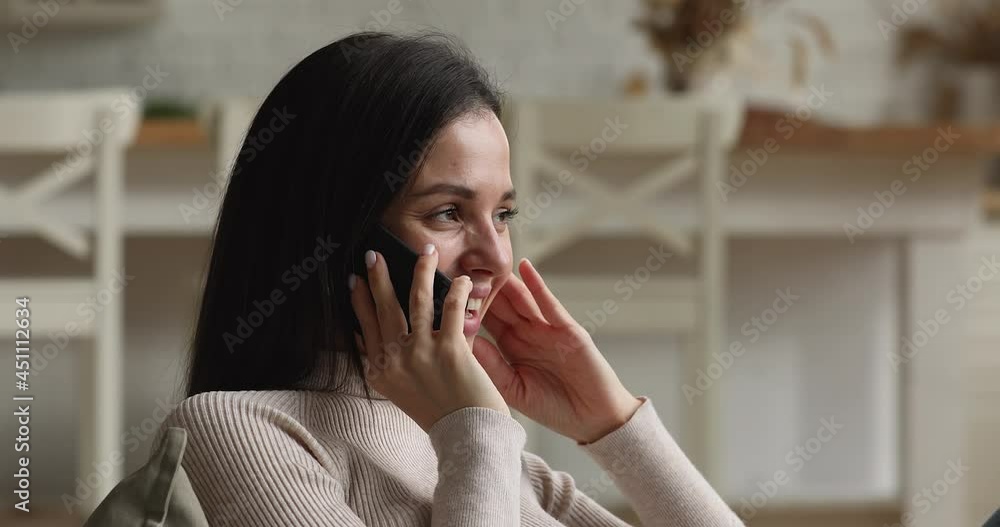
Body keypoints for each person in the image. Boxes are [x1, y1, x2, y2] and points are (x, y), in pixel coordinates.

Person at [155, 30, 744, 526]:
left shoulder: (474, 440)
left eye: (504, 215)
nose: (496, 258)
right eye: (448, 213)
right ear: (335, 237)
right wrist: (474, 428)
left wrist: (610, 420)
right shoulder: (237, 430)